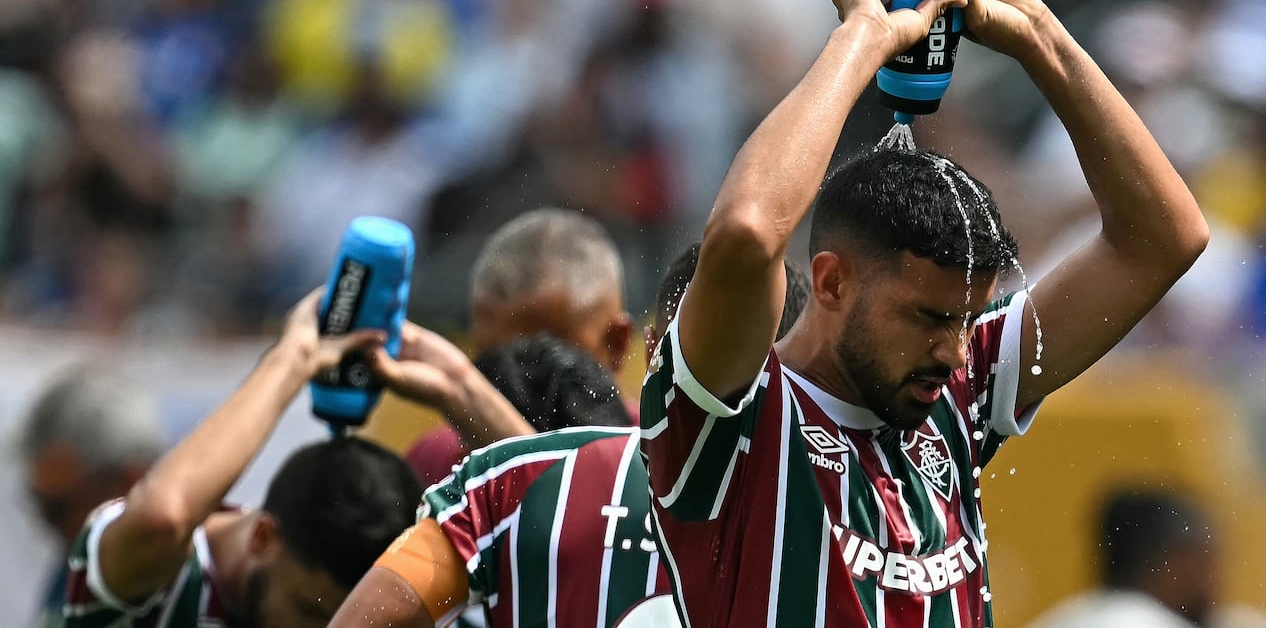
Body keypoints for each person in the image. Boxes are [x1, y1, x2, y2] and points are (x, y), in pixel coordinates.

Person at [639, 0, 1208, 627]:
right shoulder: (730, 418)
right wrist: (862, 39)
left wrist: (1039, 39)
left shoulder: (954, 398)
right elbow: (747, 233)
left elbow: (1164, 240)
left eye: (968, 320)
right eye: (929, 318)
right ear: (831, 281)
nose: (957, 350)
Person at [327, 243, 813, 628]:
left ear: (634, 345)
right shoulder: (449, 467)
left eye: (553, 342)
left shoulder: (508, 483)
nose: (521, 368)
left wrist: (463, 392)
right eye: (491, 352)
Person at [60, 288, 531, 627]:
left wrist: (460, 387)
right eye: (311, 615)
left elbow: (580, 538)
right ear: (264, 536)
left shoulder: (398, 606)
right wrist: (292, 359)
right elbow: (161, 518)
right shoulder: (154, 584)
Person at [405, 207, 634, 485]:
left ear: (616, 344)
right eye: (490, 365)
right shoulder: (436, 463)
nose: (512, 383)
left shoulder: (667, 463)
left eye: (545, 360)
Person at [18, 369, 165, 627]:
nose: (46, 525)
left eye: (57, 509)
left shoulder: (177, 590)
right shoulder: (76, 566)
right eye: (37, 501)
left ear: (130, 482)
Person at [1028, 490, 1266, 628]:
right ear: (1173, 564)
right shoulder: (1138, 621)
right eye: (1205, 562)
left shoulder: (1063, 618)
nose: (1216, 581)